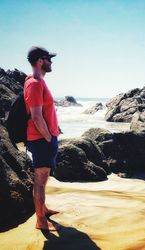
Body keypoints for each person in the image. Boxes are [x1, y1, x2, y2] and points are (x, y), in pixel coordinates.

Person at [24, 46, 60, 231]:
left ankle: (43, 210)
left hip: (45, 138)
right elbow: (36, 116)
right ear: (40, 61)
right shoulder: (35, 84)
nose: (51, 62)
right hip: (41, 140)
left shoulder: (36, 81)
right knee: (40, 179)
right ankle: (40, 221)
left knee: (43, 178)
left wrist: (54, 132)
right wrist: (48, 137)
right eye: (48, 59)